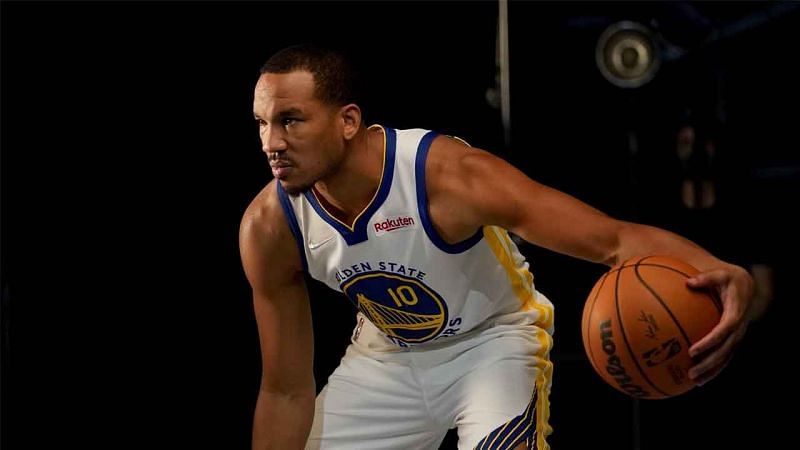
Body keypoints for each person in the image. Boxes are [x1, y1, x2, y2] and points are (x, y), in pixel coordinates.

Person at [239, 44, 756, 450]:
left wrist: (717, 268)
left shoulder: (445, 177)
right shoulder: (270, 225)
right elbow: (284, 390)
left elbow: (613, 240)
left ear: (347, 122)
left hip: (491, 345)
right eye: (263, 123)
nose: (271, 142)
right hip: (386, 358)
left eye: (291, 120)